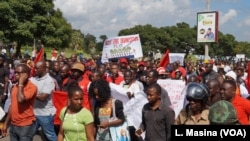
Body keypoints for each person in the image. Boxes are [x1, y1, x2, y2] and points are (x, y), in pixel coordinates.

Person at [2, 64, 37, 141]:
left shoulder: (32, 87)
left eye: (19, 72)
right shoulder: (14, 87)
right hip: (13, 125)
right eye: (15, 72)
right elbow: (12, 106)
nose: (16, 74)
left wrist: (21, 83)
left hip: (26, 126)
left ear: (26, 75)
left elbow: (20, 99)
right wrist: (5, 123)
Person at [30, 60, 57, 141]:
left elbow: (43, 98)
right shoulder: (33, 79)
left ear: (44, 69)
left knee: (50, 136)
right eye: (35, 68)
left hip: (45, 114)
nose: (35, 70)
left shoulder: (49, 80)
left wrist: (30, 94)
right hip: (34, 113)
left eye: (37, 68)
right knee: (29, 134)